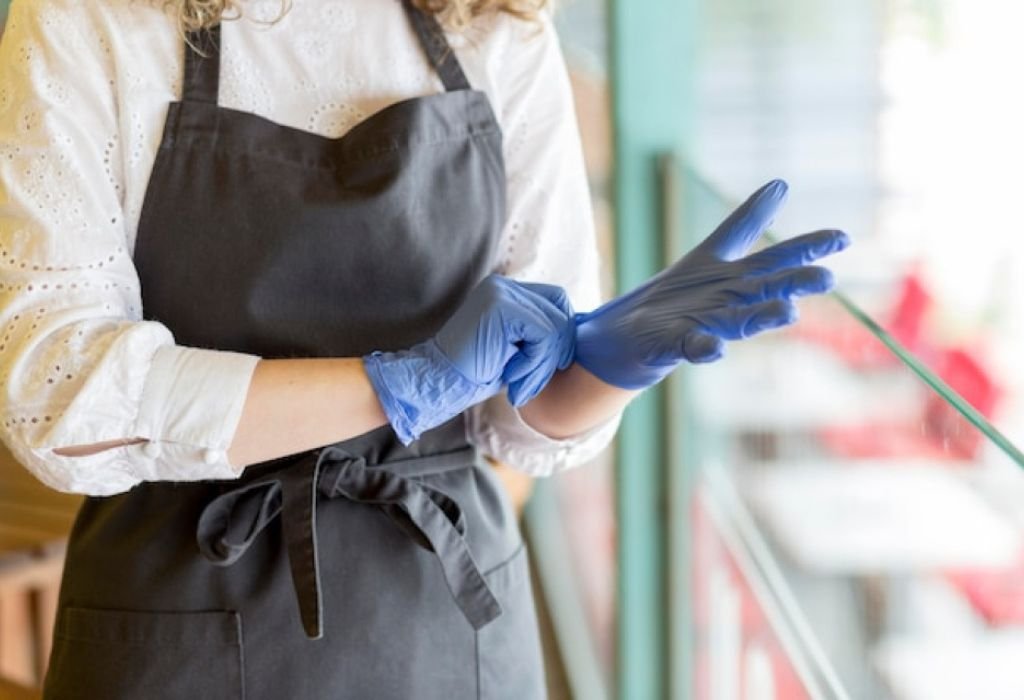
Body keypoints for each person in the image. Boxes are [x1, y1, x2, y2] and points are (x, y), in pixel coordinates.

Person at [0, 0, 848, 698]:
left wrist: (609, 369)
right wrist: (398, 384)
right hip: (177, 611)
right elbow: (59, 389)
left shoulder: (498, 26)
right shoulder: (91, 19)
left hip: (449, 624)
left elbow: (518, 415)